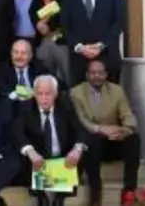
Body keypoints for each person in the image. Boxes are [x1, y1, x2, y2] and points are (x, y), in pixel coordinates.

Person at [68, 60, 140, 206]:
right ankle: (95, 193)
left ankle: (129, 191)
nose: (97, 76)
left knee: (134, 139)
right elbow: (82, 120)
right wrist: (102, 129)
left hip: (113, 141)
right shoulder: (76, 92)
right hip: (92, 142)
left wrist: (124, 131)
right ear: (87, 75)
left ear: (106, 75)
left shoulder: (116, 90)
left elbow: (128, 116)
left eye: (101, 73)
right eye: (93, 73)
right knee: (90, 140)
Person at [13, 75, 89, 206]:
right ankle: (41, 196)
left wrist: (77, 149)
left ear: (55, 94)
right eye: (40, 94)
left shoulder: (65, 106)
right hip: (38, 160)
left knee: (83, 150)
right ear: (34, 95)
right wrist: (30, 151)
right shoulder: (25, 108)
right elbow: (17, 132)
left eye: (48, 94)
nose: (44, 98)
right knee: (20, 155)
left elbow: (81, 131)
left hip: (62, 159)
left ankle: (60, 197)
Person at [60, 0, 125, 85]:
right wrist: (80, 47)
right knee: (82, 101)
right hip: (79, 59)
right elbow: (64, 26)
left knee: (109, 100)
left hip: (108, 56)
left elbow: (119, 21)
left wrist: (101, 45)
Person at [29, 0, 78, 86]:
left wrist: (48, 25)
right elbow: (33, 10)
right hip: (44, 39)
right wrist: (38, 24)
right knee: (44, 78)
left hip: (63, 39)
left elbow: (70, 10)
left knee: (68, 78)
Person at [0, 39, 49, 117]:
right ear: (11, 54)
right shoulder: (3, 68)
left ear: (31, 56)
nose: (19, 56)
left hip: (35, 110)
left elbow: (55, 83)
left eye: (23, 53)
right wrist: (23, 91)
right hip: (13, 110)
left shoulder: (38, 67)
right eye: (16, 52)